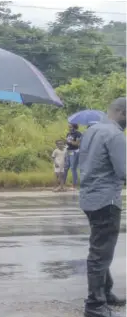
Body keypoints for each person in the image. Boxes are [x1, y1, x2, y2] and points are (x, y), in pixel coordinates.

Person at [78, 97, 126, 317]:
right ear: (122, 113)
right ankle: (95, 305)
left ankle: (105, 292)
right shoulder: (115, 135)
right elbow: (124, 171)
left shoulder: (91, 131)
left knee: (100, 249)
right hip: (107, 200)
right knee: (100, 254)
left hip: (89, 197)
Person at [65, 123, 82, 189]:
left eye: (71, 127)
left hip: (75, 152)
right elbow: (67, 143)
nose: (69, 129)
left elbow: (77, 144)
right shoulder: (68, 134)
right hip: (68, 151)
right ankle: (63, 184)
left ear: (75, 127)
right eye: (69, 127)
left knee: (73, 168)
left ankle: (74, 185)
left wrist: (71, 141)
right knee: (66, 167)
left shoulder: (78, 134)